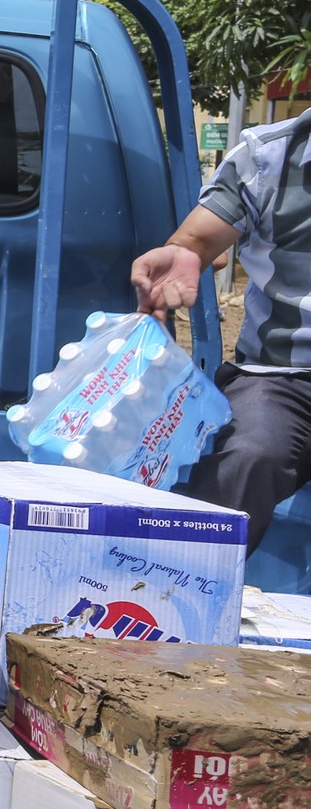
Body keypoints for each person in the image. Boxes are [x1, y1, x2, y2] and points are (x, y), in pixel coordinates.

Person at [132, 108, 311, 552]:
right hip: (283, 377)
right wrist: (183, 254)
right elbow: (197, 240)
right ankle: (181, 580)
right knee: (248, 454)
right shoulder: (266, 156)